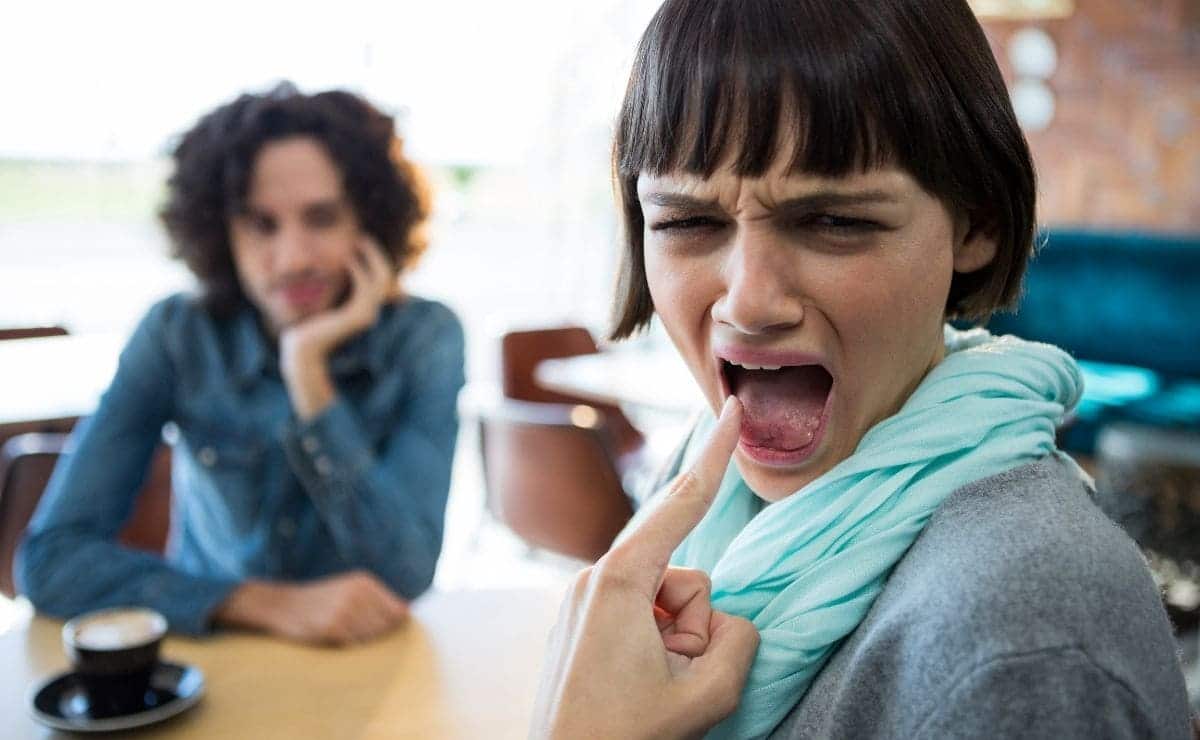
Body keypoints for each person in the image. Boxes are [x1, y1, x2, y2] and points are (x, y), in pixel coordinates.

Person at [534, 1, 1191, 738]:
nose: (749, 302)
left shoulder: (1022, 645)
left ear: (975, 226)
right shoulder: (700, 499)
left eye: (834, 221)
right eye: (688, 222)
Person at [17, 83, 466, 646]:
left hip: (368, 663)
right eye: (261, 225)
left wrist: (308, 375)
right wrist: (258, 603)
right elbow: (52, 560)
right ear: (220, 234)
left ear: (368, 225)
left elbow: (406, 572)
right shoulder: (178, 334)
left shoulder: (425, 337)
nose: (294, 258)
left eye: (322, 218)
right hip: (217, 658)